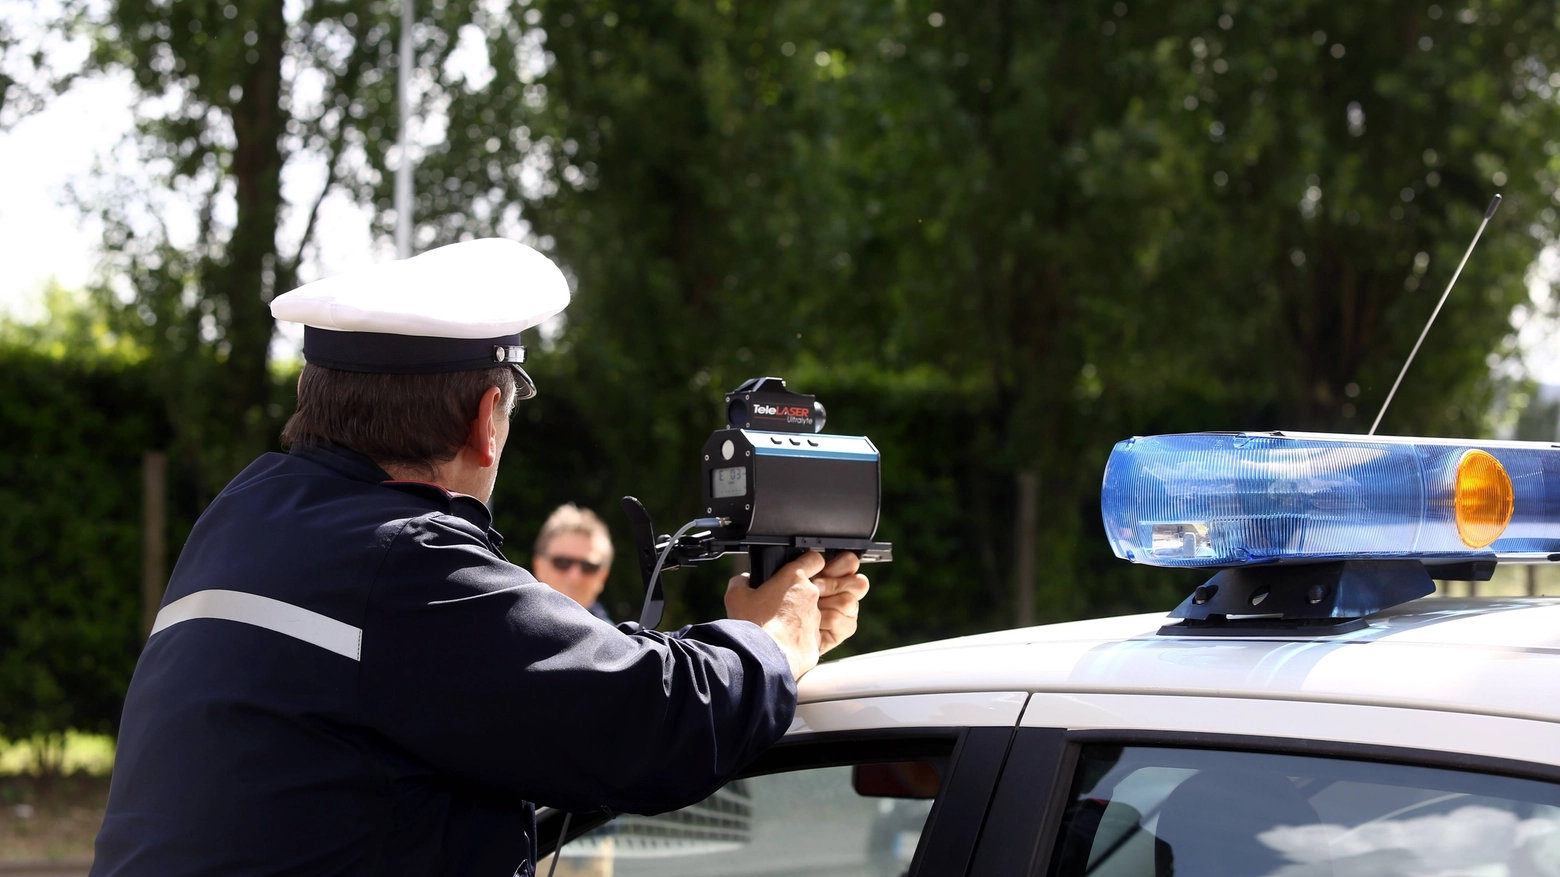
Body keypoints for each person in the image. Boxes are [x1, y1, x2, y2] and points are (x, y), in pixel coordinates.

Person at [91, 238, 870, 877]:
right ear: (487, 418)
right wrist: (773, 643)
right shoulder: (405, 562)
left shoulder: (244, 516)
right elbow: (649, 720)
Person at [533, 504, 616, 623]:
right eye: (562, 563)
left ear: (603, 577)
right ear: (539, 567)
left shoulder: (617, 640)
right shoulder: (504, 632)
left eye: (588, 567)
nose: (574, 576)